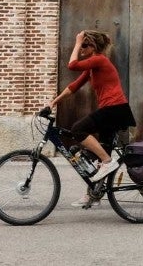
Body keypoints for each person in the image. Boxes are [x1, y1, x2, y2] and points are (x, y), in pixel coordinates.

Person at [49, 30, 137, 207]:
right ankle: (94, 194)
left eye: (84, 46)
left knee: (78, 129)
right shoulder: (92, 67)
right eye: (81, 45)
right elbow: (74, 86)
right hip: (111, 110)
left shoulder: (100, 60)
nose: (81, 49)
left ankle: (108, 161)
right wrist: (53, 102)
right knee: (94, 154)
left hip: (115, 109)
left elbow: (72, 65)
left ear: (93, 47)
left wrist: (76, 41)